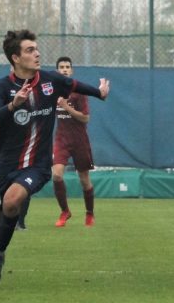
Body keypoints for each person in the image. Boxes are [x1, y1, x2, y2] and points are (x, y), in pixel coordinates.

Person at [0, 30, 110, 287]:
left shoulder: (51, 81)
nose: (37, 53)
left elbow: (75, 85)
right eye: (30, 50)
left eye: (37, 49)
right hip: (6, 167)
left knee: (12, 200)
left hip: (37, 165)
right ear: (16, 57)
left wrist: (99, 92)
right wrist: (13, 105)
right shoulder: (1, 87)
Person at [52, 56, 97, 227]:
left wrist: (67, 107)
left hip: (79, 140)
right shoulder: (53, 91)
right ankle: (65, 211)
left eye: (67, 67)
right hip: (61, 139)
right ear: (57, 71)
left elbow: (85, 118)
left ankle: (90, 213)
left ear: (71, 70)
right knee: (56, 175)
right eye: (61, 67)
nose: (64, 69)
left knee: (84, 179)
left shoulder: (79, 92)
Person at [0, 125, 30, 230]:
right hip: (7, 155)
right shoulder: (2, 110)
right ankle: (1, 220)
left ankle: (20, 222)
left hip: (25, 152)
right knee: (3, 188)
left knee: (25, 185)